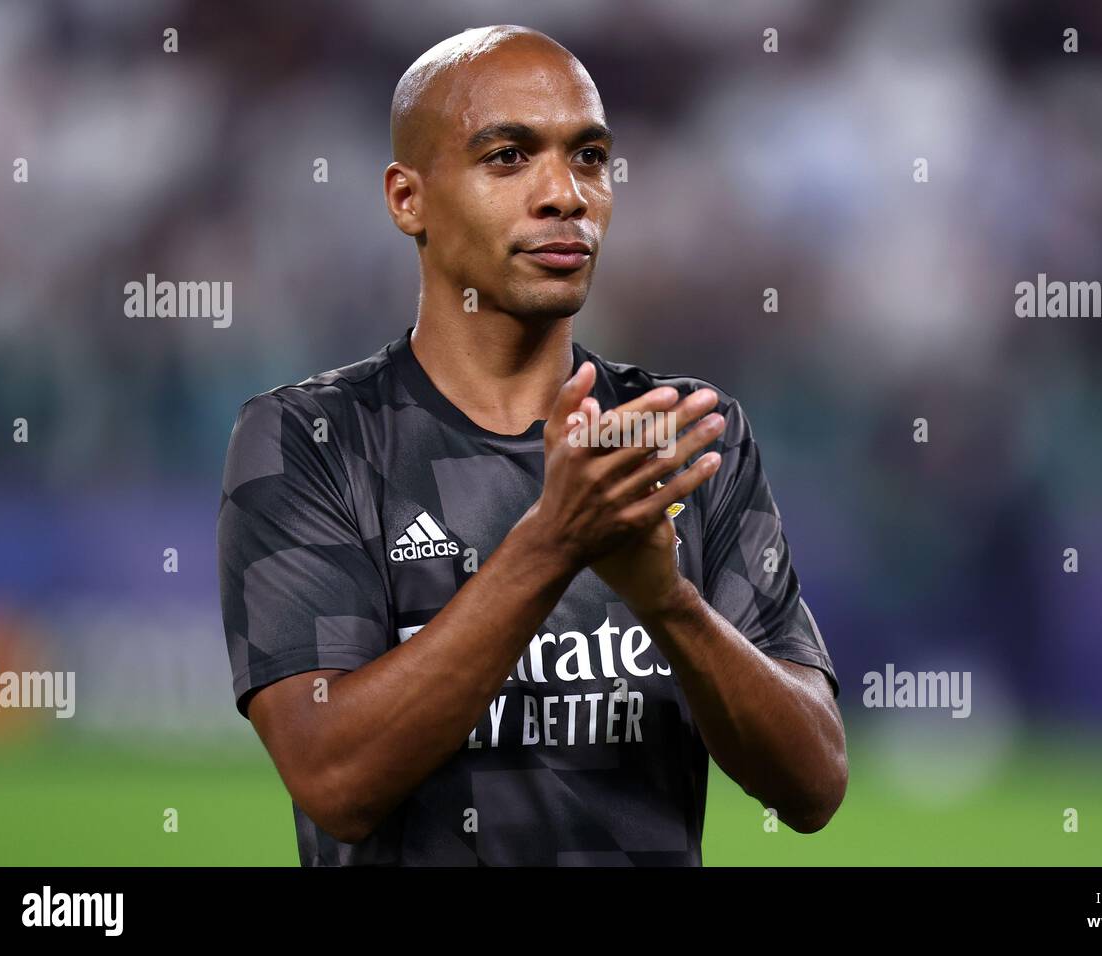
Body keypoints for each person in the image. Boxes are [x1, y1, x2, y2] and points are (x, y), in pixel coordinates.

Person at [217, 24, 847, 866]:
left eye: (589, 157)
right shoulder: (312, 441)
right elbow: (336, 780)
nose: (565, 195)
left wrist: (669, 606)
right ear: (409, 200)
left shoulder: (684, 435)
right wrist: (554, 541)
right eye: (508, 157)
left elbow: (813, 785)